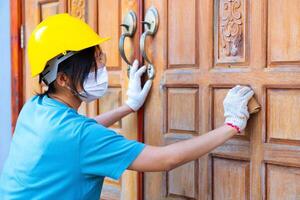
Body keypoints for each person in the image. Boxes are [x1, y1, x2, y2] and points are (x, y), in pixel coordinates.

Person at [0, 14, 254, 199]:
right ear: (63, 78)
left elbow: (78, 135)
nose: (100, 69)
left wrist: (128, 107)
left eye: (100, 59)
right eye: (92, 64)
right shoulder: (79, 136)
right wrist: (231, 125)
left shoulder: (35, 108)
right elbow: (166, 159)